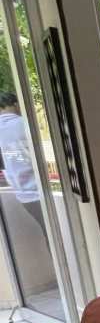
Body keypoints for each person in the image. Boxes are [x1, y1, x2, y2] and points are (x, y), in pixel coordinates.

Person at [0, 91, 46, 234]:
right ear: (15, 104)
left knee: (47, 230)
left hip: (22, 195)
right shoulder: (24, 123)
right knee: (55, 232)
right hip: (40, 190)